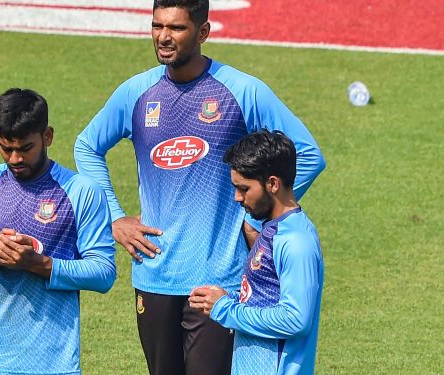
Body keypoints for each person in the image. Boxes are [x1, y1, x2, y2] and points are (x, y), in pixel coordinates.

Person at [73, 0, 326, 373]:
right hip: (154, 274)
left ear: (203, 32)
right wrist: (113, 217)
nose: (163, 37)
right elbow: (87, 146)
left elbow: (308, 154)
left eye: (176, 28)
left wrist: (261, 224)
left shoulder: (241, 90)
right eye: (157, 26)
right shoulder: (136, 93)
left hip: (217, 279)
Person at [0, 88, 117, 375]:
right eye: (6, 148)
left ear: (48, 137)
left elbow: (103, 273)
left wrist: (39, 264)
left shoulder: (81, 192)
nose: (15, 159)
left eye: (25, 148)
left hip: (50, 365)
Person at [189, 130, 324, 375]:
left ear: (272, 184)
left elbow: (295, 319)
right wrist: (224, 299)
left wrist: (225, 310)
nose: (237, 197)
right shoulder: (272, 229)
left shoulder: (296, 241)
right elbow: (266, 297)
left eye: (244, 188)